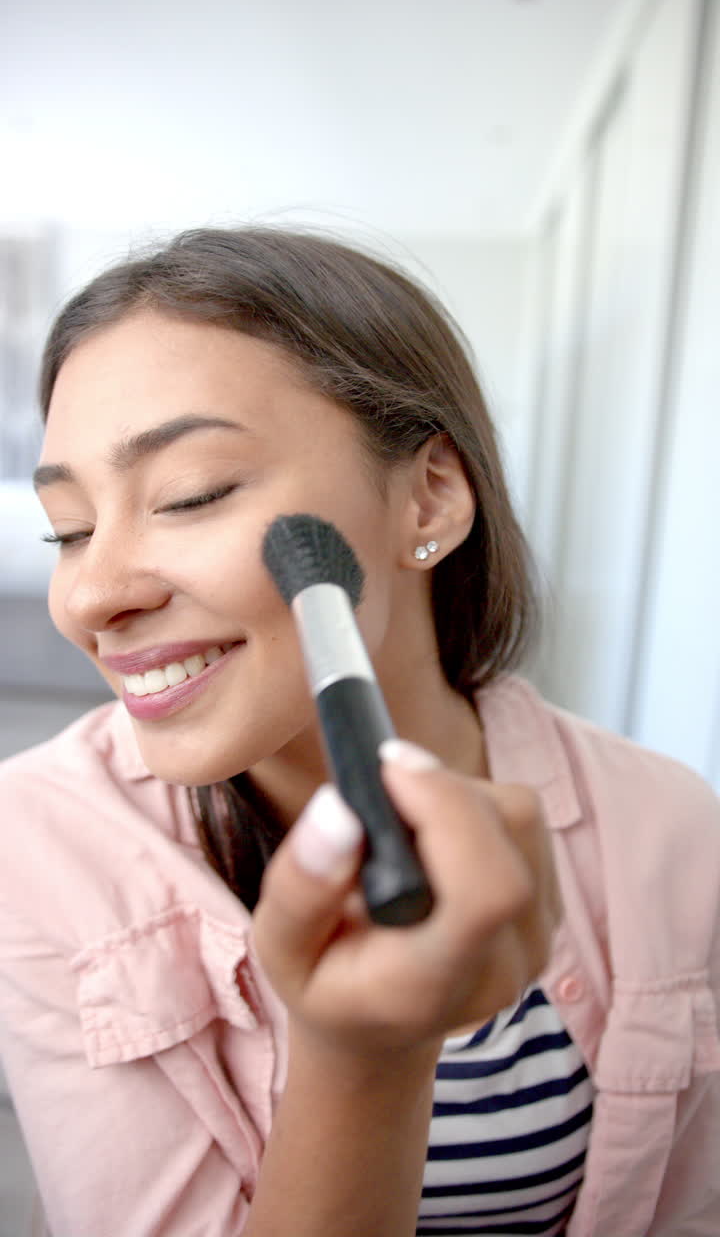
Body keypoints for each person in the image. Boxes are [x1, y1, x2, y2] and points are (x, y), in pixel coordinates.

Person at [0, 226, 718, 1237]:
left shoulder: (670, 830)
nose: (93, 595)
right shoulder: (39, 835)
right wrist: (364, 1057)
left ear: (428, 495)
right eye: (70, 528)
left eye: (190, 493)